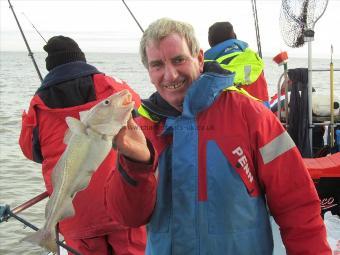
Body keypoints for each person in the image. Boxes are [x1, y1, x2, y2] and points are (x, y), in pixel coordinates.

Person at [105, 18, 331, 254]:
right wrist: (136, 164)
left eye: (178, 60)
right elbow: (127, 217)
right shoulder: (140, 129)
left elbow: (297, 203)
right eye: (157, 65)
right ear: (149, 72)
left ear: (200, 58)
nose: (170, 75)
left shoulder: (251, 115)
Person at [19, 36, 146, 255]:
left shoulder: (37, 106)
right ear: (81, 58)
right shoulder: (111, 86)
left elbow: (31, 151)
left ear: (50, 68)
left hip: (77, 217)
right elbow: (142, 121)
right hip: (122, 206)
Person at [204, 21, 270, 107]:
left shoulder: (204, 70)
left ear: (210, 42)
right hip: (260, 117)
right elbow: (264, 103)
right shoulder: (254, 62)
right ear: (235, 37)